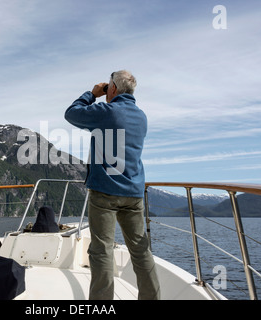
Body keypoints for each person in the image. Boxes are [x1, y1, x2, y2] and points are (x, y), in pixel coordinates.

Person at [64, 70, 160, 300]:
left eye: (108, 86)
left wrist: (92, 94)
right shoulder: (142, 116)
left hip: (105, 193)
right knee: (140, 251)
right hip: (134, 193)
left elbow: (72, 114)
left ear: (114, 89)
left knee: (101, 251)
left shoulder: (106, 111)